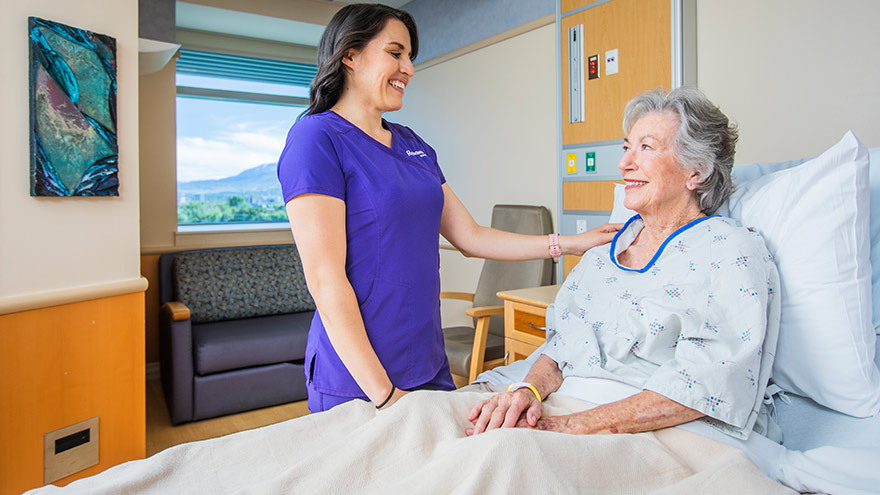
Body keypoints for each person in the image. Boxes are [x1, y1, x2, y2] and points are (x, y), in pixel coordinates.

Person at [277, 3, 620, 413]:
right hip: (359, 377)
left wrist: (570, 243)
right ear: (349, 55)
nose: (409, 68)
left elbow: (471, 236)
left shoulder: (412, 144)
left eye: (410, 57)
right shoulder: (316, 138)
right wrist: (385, 395)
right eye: (396, 52)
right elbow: (325, 280)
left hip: (427, 362)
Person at [467, 87, 781, 440]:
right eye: (627, 147)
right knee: (424, 417)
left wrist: (574, 425)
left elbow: (709, 381)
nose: (624, 163)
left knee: (496, 458)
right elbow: (558, 349)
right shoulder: (602, 256)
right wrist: (527, 392)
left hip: (648, 426)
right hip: (563, 401)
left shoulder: (729, 251)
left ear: (697, 171)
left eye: (645, 147)